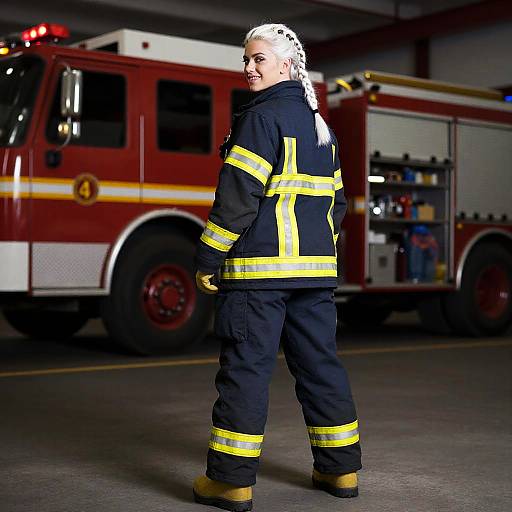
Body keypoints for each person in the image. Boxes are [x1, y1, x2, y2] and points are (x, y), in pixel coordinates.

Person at [193, 23, 362, 512]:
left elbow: (237, 199)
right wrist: (318, 257)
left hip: (259, 278)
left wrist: (209, 257)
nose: (249, 67)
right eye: (246, 60)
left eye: (259, 59)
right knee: (321, 368)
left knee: (246, 372)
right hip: (313, 277)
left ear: (287, 64)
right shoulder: (318, 126)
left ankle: (230, 481)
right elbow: (338, 203)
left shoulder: (259, 119)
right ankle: (340, 469)